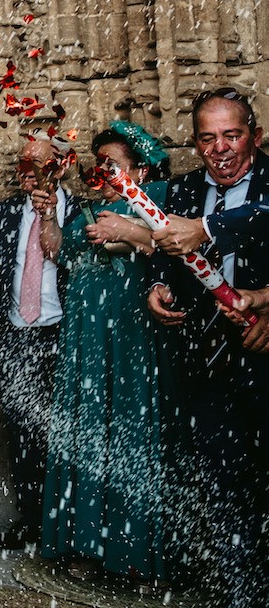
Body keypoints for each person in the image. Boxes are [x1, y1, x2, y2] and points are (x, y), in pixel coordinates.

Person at [145, 87, 269, 608]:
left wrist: (207, 229)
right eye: (207, 137)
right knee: (221, 483)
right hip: (208, 361)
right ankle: (238, 598)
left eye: (231, 135)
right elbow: (164, 247)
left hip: (264, 356)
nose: (220, 148)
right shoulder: (184, 188)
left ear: (255, 136)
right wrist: (156, 285)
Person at [40, 123, 182, 584]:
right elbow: (57, 251)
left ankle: (130, 550)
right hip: (85, 335)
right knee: (86, 428)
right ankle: (85, 543)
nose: (100, 173)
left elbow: (168, 246)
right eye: (97, 165)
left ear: (140, 169)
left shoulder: (155, 196)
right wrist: (47, 215)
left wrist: (127, 232)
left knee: (126, 426)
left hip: (129, 332)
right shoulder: (87, 207)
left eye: (112, 165)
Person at [0, 132, 75, 550]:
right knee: (22, 434)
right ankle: (30, 523)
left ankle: (65, 529)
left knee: (66, 432)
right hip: (16, 336)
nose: (28, 173)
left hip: (65, 335)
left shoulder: (81, 214)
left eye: (38, 165)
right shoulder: (3, 214)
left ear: (61, 167)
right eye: (23, 165)